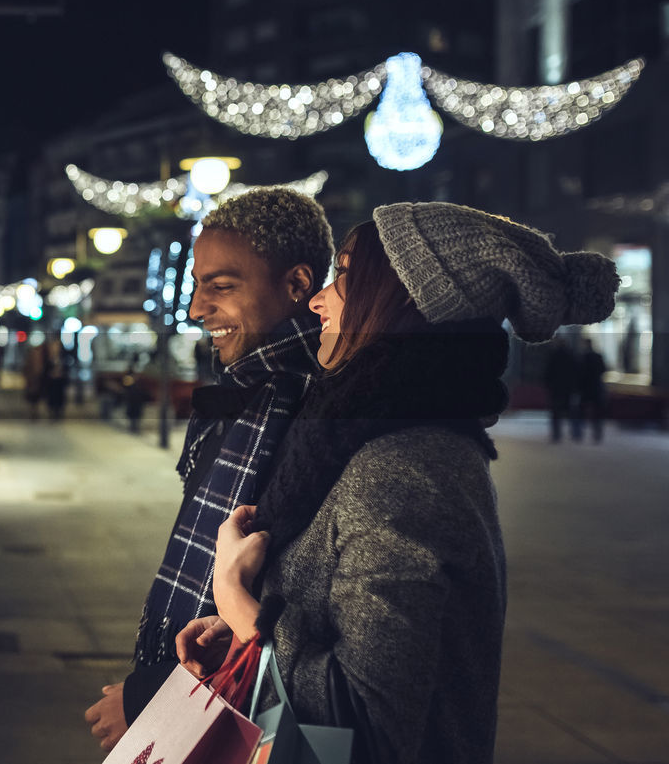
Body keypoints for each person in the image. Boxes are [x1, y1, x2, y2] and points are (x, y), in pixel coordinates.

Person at [177, 203, 618, 764]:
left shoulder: (406, 468)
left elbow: (365, 725)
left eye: (343, 276)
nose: (319, 300)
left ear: (401, 302)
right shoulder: (358, 435)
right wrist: (237, 629)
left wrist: (242, 609)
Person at [85, 188, 333, 750]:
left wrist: (152, 694)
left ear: (297, 286)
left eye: (220, 286)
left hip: (235, 695)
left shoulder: (309, 407)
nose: (197, 309)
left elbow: (277, 585)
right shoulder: (247, 393)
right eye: (197, 286)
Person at [542, 337, 576, 442]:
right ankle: (575, 433)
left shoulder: (554, 355)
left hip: (555, 388)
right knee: (570, 410)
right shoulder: (571, 355)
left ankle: (556, 434)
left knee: (555, 411)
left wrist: (547, 384)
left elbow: (548, 371)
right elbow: (575, 372)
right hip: (567, 388)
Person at [575, 337, 607, 442]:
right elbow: (603, 370)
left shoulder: (582, 357)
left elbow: (579, 374)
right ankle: (597, 433)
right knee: (597, 411)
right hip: (596, 387)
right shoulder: (598, 356)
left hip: (584, 388)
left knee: (580, 411)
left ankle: (578, 433)